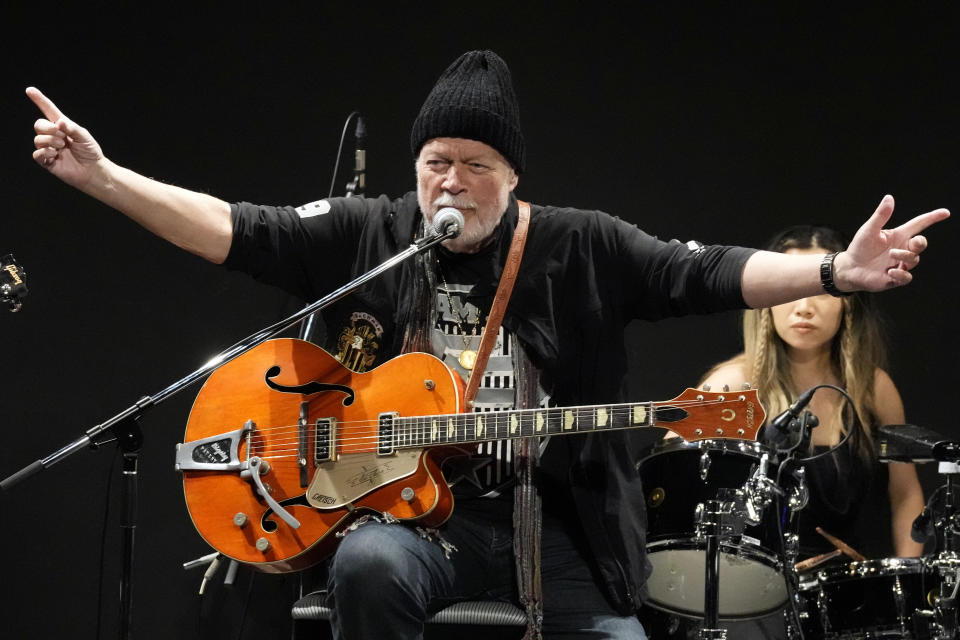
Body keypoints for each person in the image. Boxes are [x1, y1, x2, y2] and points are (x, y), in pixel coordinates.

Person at [27, 51, 948, 640]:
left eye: (477, 165)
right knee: (366, 566)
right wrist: (102, 177)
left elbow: (706, 271)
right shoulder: (373, 231)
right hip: (412, 517)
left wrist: (832, 276)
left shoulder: (582, 243)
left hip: (558, 527)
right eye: (437, 163)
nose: (453, 182)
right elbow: (236, 227)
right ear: (415, 169)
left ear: (512, 176)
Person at [699, 224, 924, 562]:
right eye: (790, 289)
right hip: (748, 595)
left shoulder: (873, 388)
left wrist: (906, 580)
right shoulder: (729, 386)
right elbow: (679, 485)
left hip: (843, 596)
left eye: (822, 290)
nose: (803, 307)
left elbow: (905, 494)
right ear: (766, 300)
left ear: (847, 303)